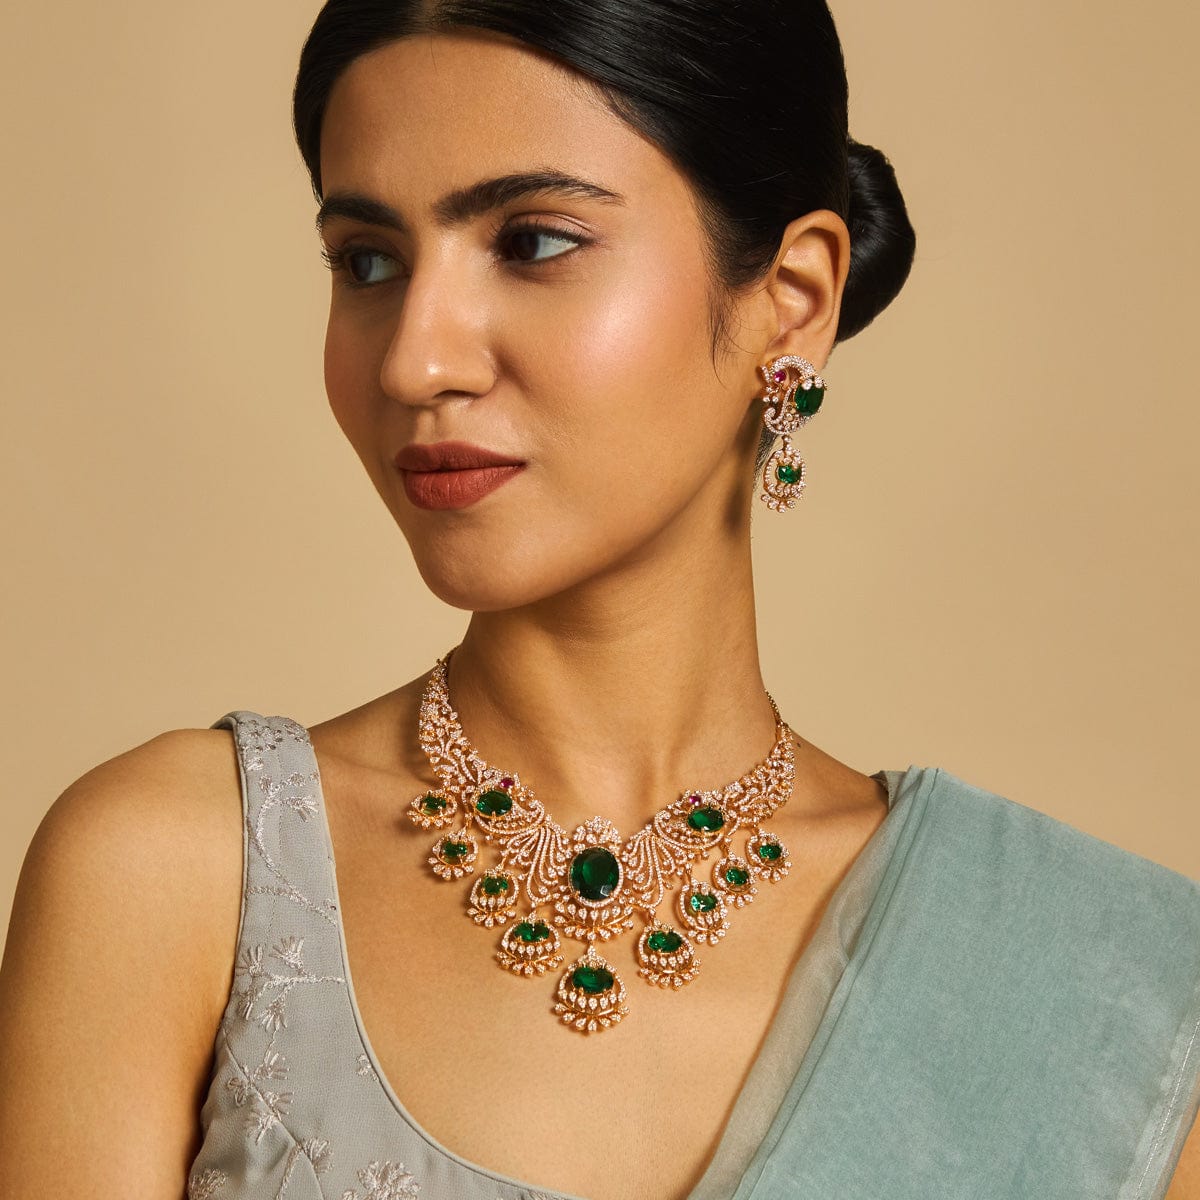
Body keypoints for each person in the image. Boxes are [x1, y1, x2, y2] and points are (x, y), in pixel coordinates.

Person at [1, 1, 1197, 1197]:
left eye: (532, 243)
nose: (415, 360)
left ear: (793, 297)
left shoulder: (1102, 989)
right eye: (368, 261)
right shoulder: (179, 876)